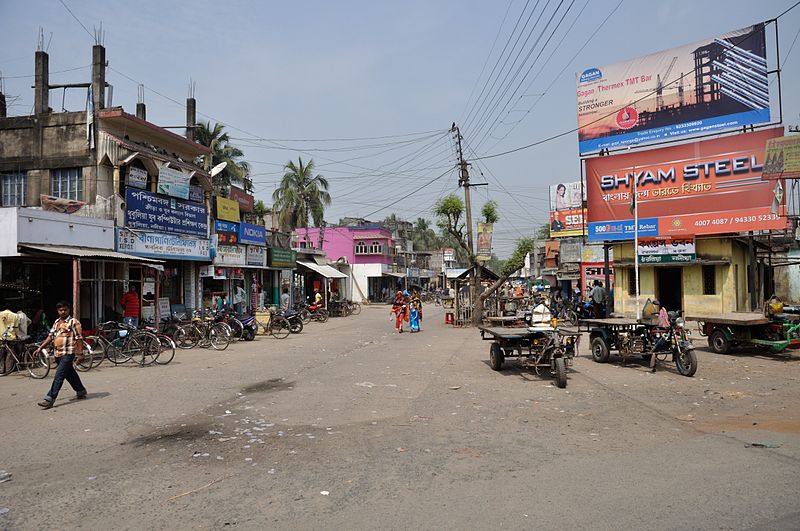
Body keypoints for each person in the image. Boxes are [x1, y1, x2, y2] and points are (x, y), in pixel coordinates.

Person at [36, 301, 87, 409]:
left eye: (65, 310)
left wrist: (81, 354)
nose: (63, 312)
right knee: (69, 374)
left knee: (59, 375)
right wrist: (41, 347)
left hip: (68, 353)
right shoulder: (56, 322)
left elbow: (79, 338)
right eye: (60, 310)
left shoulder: (74, 322)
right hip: (57, 353)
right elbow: (50, 336)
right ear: (58, 311)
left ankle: (50, 398)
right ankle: (81, 390)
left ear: (69, 310)